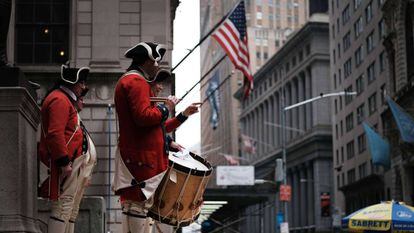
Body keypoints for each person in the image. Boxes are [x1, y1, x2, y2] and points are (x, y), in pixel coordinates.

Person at [112, 42, 199, 233]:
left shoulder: (134, 81)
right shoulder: (136, 82)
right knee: (138, 206)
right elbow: (144, 118)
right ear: (148, 60)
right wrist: (165, 108)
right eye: (156, 61)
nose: (158, 66)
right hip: (142, 159)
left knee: (134, 207)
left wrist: (182, 114)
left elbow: (156, 129)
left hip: (141, 157)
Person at [38, 64, 96, 233]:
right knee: (63, 208)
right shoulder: (59, 99)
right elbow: (55, 134)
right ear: (72, 82)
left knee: (70, 210)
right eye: (81, 83)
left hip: (76, 163)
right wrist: (64, 162)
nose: (84, 87)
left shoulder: (64, 100)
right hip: (69, 162)